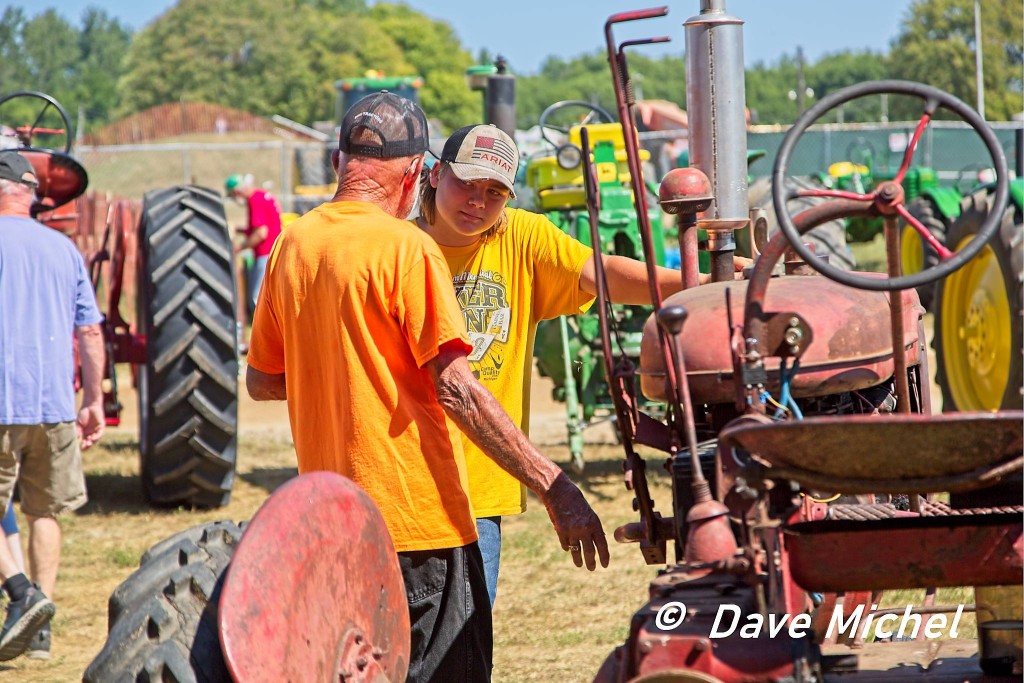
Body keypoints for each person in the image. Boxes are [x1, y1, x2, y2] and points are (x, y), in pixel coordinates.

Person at [245, 93, 608, 683]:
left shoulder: (293, 244)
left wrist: (346, 373)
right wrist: (554, 484)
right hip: (421, 528)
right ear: (418, 173)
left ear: (340, 162)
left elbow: (262, 381)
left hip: (336, 516)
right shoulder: (408, 249)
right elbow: (457, 391)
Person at [416, 124, 748, 605]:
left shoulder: (522, 237)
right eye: (466, 182)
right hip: (401, 478)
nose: (477, 201)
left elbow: (604, 274)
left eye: (494, 192)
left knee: (466, 649)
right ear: (433, 174)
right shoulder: (400, 248)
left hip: (478, 489)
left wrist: (696, 284)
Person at [0, 150, 105, 660]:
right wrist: (95, 400)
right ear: (32, 195)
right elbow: (89, 330)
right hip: (55, 403)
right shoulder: (64, 250)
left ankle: (20, 593)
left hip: (3, 400)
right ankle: (40, 631)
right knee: (45, 511)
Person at [225, 173, 283, 314]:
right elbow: (260, 227)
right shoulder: (263, 196)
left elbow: (260, 233)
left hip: (265, 253)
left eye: (233, 195)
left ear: (237, 191)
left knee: (258, 297)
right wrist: (238, 229)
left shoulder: (254, 200)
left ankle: (264, 333)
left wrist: (239, 248)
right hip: (275, 251)